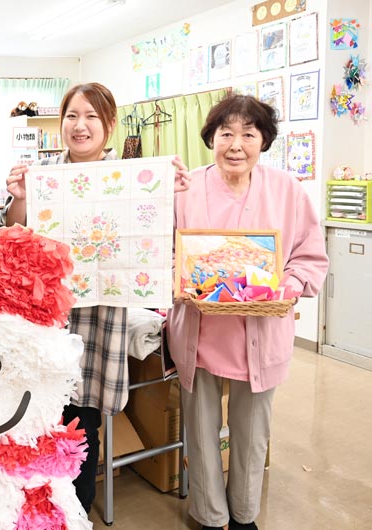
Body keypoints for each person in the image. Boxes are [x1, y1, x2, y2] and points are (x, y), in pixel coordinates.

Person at [2, 82, 191, 513]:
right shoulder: (43, 178)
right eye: (72, 116)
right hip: (48, 320)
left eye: (91, 117)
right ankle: (35, 508)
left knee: (84, 423)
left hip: (99, 321)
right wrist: (20, 200)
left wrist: (170, 192)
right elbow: (14, 235)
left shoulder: (131, 178)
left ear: (108, 126)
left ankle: (76, 509)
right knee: (39, 417)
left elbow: (158, 236)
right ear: (61, 124)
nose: (80, 125)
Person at [166, 94, 328, 530]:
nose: (236, 145)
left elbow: (309, 256)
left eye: (248, 134)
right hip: (200, 333)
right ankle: (210, 515)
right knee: (200, 434)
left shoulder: (287, 190)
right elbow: (160, 248)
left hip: (259, 333)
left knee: (252, 434)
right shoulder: (186, 188)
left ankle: (243, 516)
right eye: (226, 134)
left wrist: (286, 287)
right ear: (211, 138)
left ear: (264, 141)